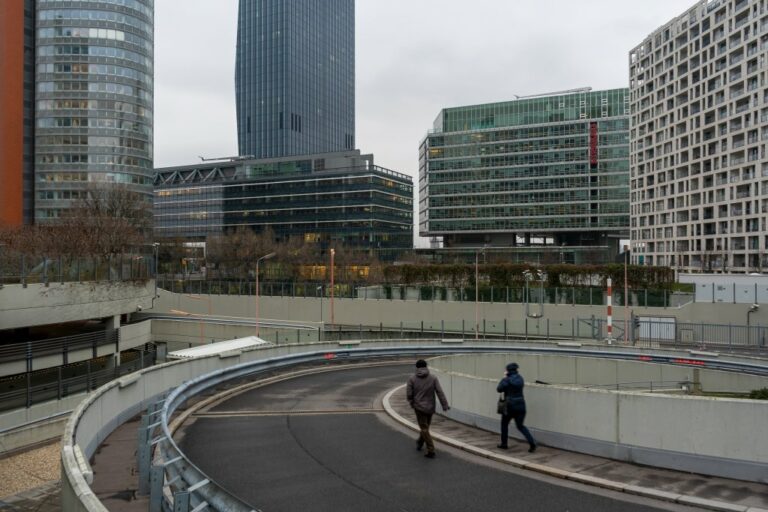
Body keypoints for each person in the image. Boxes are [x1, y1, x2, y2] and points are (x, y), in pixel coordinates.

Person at [406, 359, 450, 458]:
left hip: (419, 407)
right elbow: (440, 392)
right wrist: (444, 405)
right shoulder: (433, 378)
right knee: (425, 427)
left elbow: (409, 394)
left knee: (424, 428)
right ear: (426, 367)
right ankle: (420, 442)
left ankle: (431, 450)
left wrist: (412, 402)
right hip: (430, 407)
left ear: (417, 368)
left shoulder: (412, 379)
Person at [496, 362, 536, 452]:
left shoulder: (507, 379)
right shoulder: (520, 378)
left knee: (504, 424)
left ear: (508, 370)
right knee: (520, 426)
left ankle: (504, 444)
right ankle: (532, 442)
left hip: (510, 406)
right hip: (521, 405)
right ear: (516, 370)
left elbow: (499, 389)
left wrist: (504, 378)